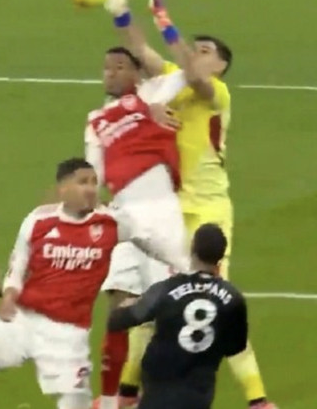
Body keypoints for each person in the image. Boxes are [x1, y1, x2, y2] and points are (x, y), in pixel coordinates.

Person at [101, 0, 276, 409]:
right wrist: (121, 14)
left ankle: (257, 399)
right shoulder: (175, 80)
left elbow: (191, 74)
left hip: (210, 208)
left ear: (221, 65)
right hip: (173, 206)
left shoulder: (216, 92)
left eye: (205, 51)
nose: (195, 55)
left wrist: (165, 21)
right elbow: (141, 52)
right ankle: (127, 393)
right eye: (194, 49)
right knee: (160, 297)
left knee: (217, 298)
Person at [0, 158, 184, 409]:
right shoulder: (38, 220)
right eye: (82, 182)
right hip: (23, 322)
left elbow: (150, 241)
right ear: (63, 188)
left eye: (94, 182)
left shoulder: (111, 223)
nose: (91, 189)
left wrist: (185, 267)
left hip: (67, 336)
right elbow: (17, 267)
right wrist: (9, 296)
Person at [85, 45, 191, 409]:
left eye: (119, 66)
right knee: (118, 309)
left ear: (136, 73)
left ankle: (166, 394)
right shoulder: (96, 120)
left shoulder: (151, 93)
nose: (111, 73)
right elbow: (94, 175)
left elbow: (190, 72)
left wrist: (154, 30)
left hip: (160, 212)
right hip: (122, 215)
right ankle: (110, 399)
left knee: (173, 308)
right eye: (107, 67)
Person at [107, 224, 248, 409]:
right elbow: (236, 346)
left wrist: (125, 302)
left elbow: (120, 320)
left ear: (192, 250)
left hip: (159, 390)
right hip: (199, 393)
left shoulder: (166, 289)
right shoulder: (233, 298)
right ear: (221, 256)